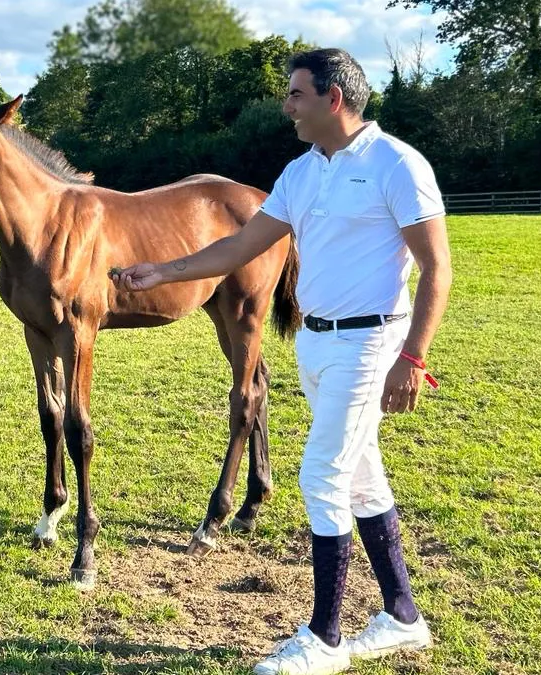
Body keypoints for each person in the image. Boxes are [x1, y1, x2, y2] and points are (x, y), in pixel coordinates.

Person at [111, 48, 452, 675]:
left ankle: (325, 638)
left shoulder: (397, 164)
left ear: (334, 99)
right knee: (360, 477)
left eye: (296, 94)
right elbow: (242, 243)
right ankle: (402, 616)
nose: (287, 105)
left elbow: (437, 268)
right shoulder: (301, 172)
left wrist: (415, 356)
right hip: (317, 342)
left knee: (322, 476)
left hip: (372, 341)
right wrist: (162, 270)